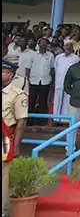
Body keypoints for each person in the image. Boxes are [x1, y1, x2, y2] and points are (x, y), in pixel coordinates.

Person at [2, 61, 28, 217]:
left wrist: (16, 146)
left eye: (3, 72)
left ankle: (3, 210)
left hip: (5, 138)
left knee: (4, 175)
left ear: (10, 75)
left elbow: (22, 121)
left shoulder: (17, 94)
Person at [26, 38, 54, 126]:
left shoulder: (50, 55)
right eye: (42, 43)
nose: (43, 45)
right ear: (38, 44)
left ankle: (42, 122)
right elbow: (28, 69)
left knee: (43, 102)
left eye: (45, 44)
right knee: (31, 102)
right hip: (33, 82)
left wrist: (51, 80)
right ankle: (29, 121)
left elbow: (52, 69)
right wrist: (28, 80)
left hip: (45, 82)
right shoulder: (32, 55)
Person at [52, 42, 79, 122]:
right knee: (57, 100)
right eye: (66, 46)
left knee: (67, 102)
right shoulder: (58, 57)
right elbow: (56, 69)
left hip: (70, 83)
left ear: (72, 48)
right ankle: (56, 119)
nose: (67, 47)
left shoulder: (76, 58)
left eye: (69, 46)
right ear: (63, 47)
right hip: (59, 82)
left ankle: (65, 120)